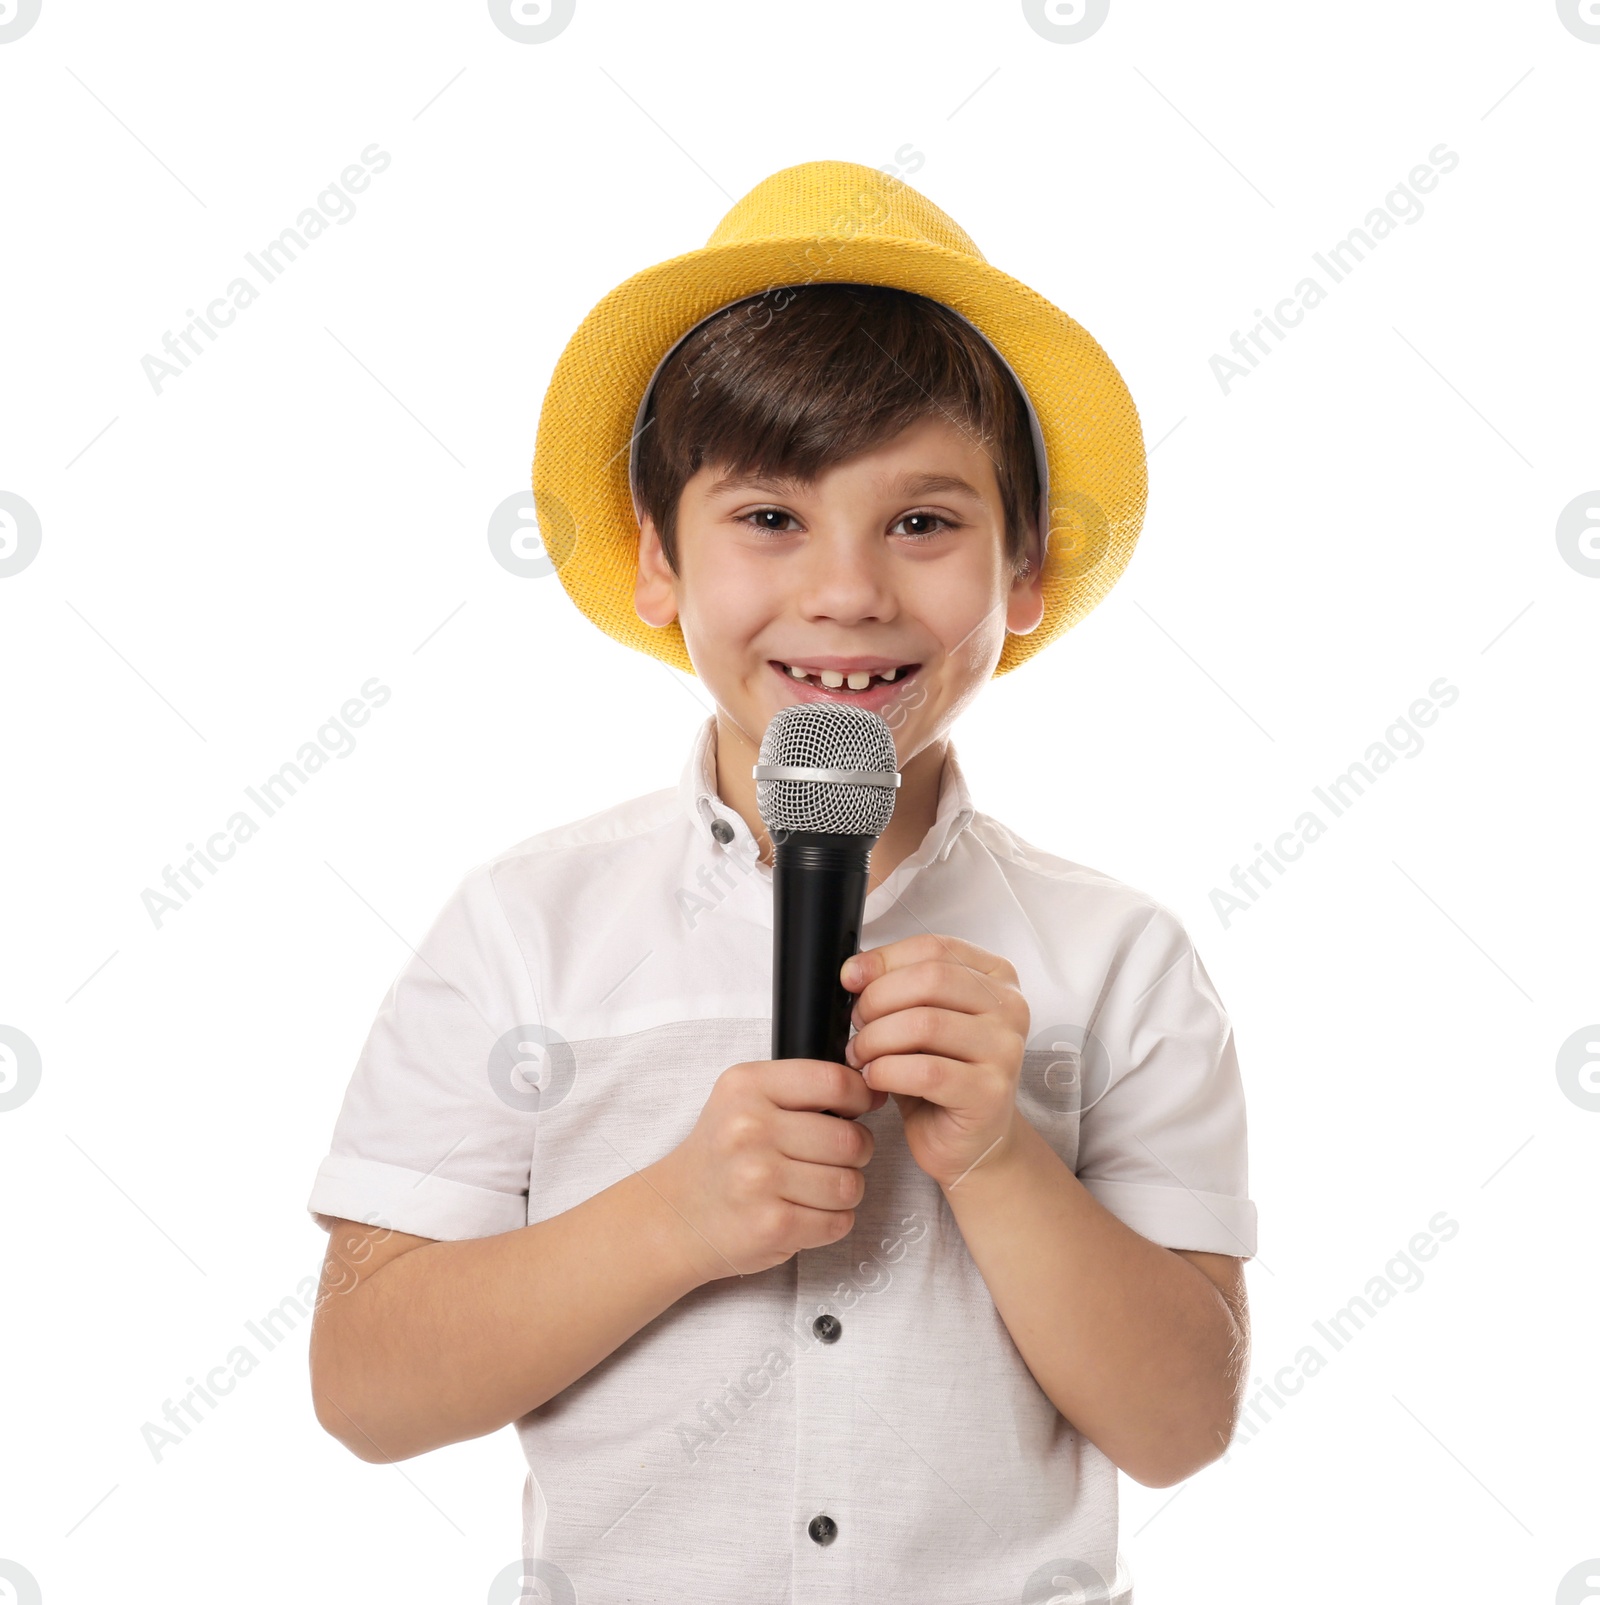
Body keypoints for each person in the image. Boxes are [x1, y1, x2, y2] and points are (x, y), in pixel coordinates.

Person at [305, 159, 1257, 1604]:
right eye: (769, 518)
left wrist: (1002, 1158)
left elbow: (1182, 1422)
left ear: (1026, 573)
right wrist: (675, 1215)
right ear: (656, 560)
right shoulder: (524, 927)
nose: (848, 591)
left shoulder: (1115, 954)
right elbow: (366, 1387)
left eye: (923, 522)